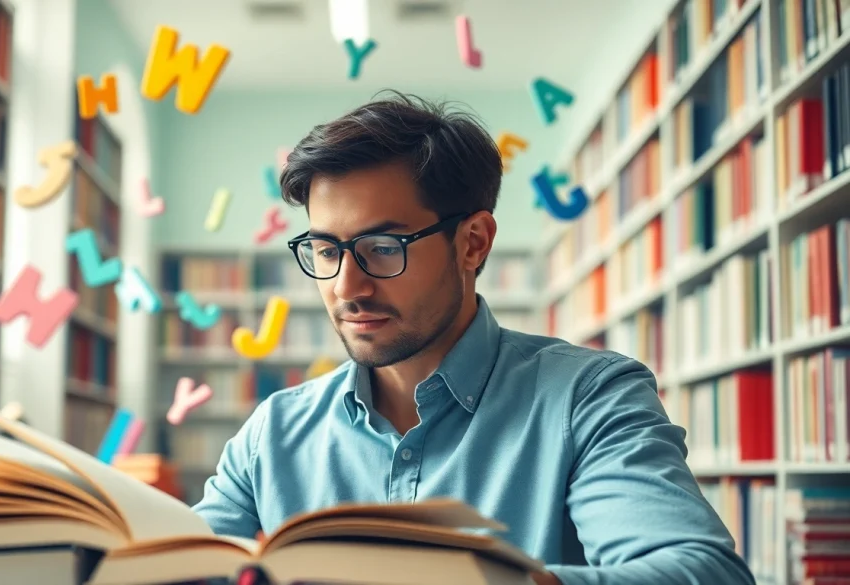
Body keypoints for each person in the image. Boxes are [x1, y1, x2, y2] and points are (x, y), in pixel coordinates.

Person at [192, 91, 756, 585]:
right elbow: (181, 563)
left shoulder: (587, 397)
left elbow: (701, 572)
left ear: (474, 243)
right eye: (325, 249)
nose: (347, 286)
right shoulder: (275, 431)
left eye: (384, 248)